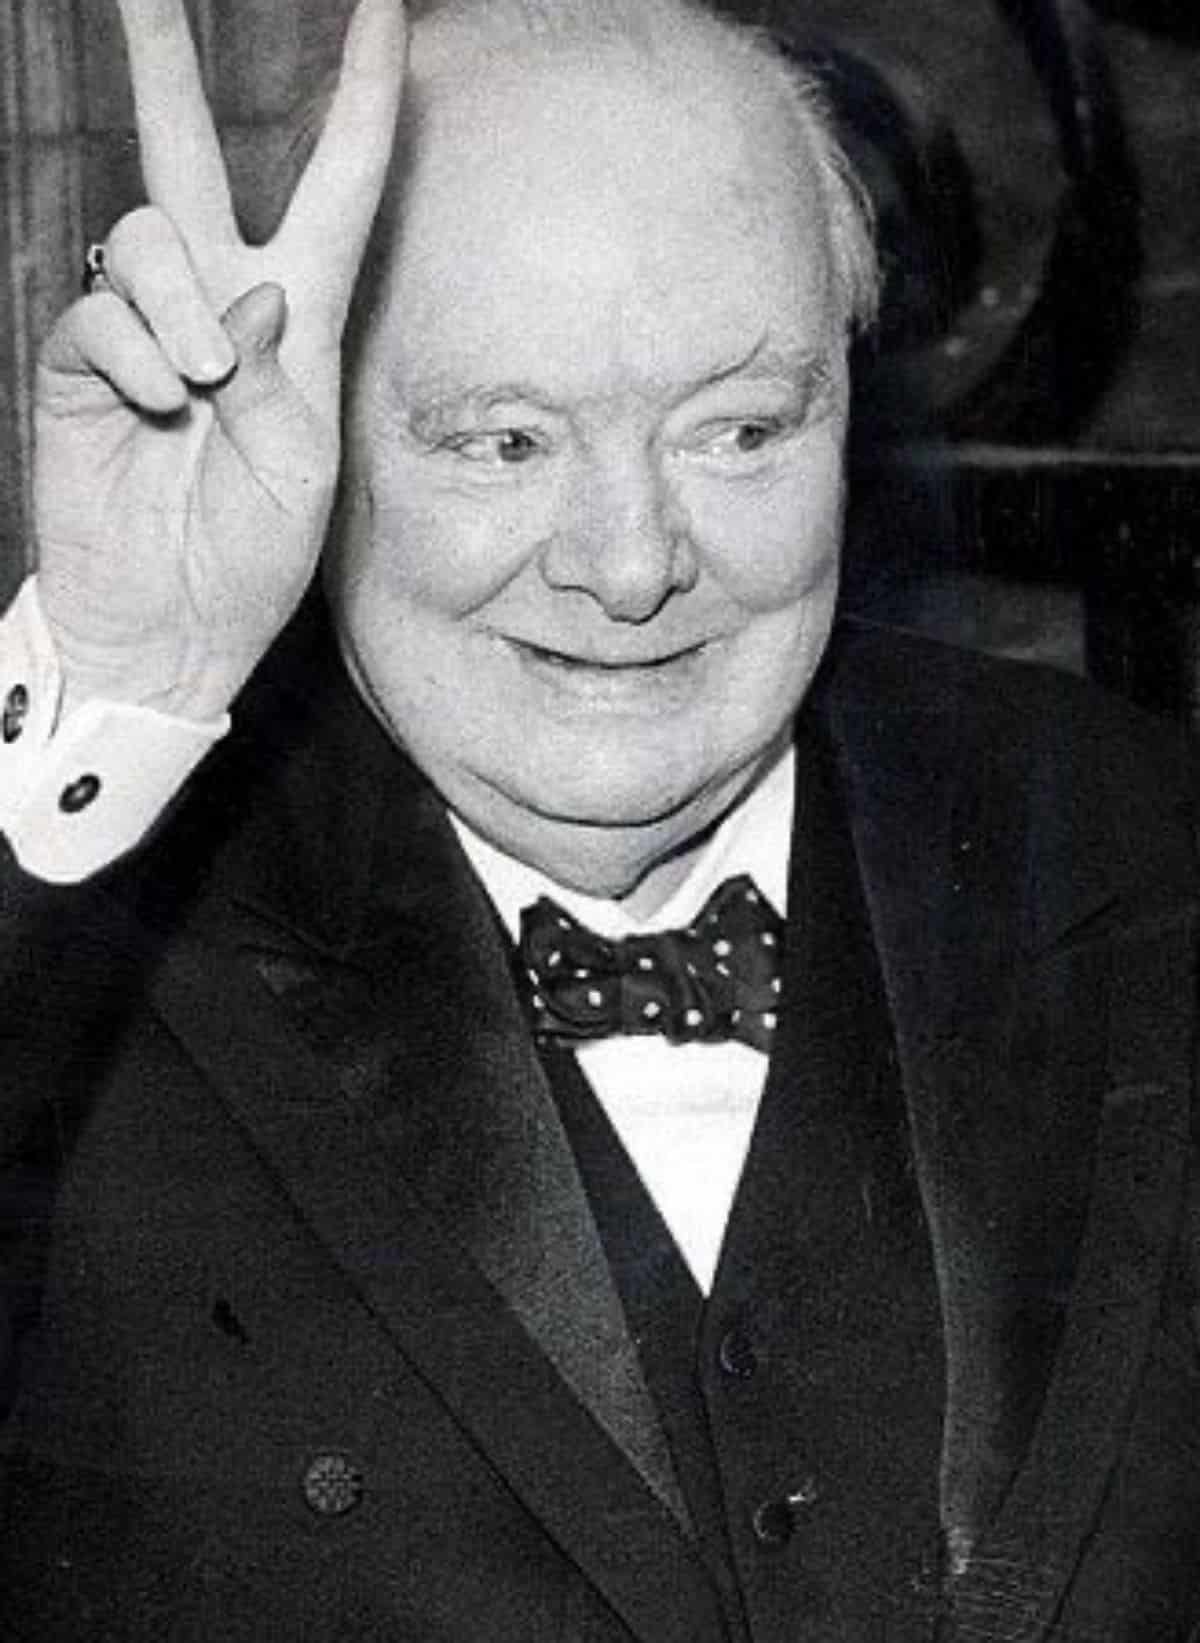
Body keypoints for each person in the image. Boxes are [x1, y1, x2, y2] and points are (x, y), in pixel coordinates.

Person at [0, 0, 1197, 1637]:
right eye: (504, 441)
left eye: (741, 430)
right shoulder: (85, 932)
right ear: (322, 437)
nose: (631, 565)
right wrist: (123, 684)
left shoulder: (1135, 836)